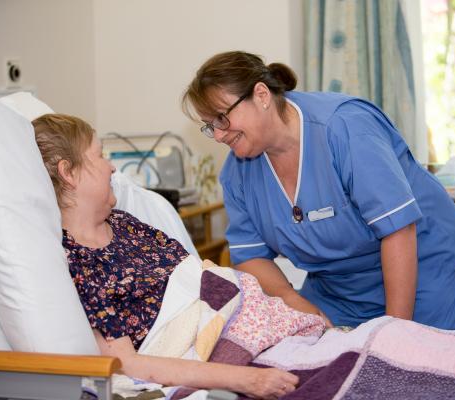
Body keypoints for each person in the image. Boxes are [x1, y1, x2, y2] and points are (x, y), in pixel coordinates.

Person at [182, 51, 455, 330]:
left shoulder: (344, 127)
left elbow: (398, 230)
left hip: (421, 270)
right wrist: (294, 301)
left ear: (261, 95)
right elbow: (250, 257)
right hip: (337, 290)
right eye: (209, 126)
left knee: (411, 362)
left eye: (221, 118)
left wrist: (393, 333)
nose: (218, 135)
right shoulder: (238, 173)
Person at [32, 113, 299, 399]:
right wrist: (246, 380)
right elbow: (126, 364)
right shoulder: (79, 263)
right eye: (100, 155)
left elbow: (198, 278)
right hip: (217, 361)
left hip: (251, 325)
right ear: (69, 172)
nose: (111, 167)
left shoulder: (125, 224)